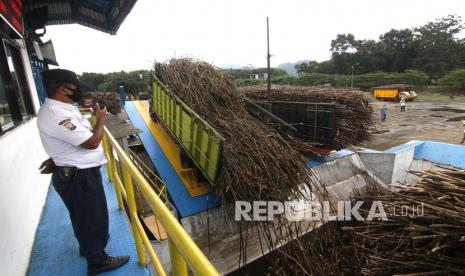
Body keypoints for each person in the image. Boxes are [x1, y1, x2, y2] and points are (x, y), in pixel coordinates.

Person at [37, 69, 129, 275]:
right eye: (76, 87)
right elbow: (92, 142)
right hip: (80, 178)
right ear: (63, 89)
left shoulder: (64, 108)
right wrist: (101, 118)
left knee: (84, 217)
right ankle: (98, 262)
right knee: (93, 218)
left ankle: (89, 247)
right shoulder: (57, 114)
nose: (79, 91)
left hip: (77, 174)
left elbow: (67, 139)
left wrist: (55, 158)